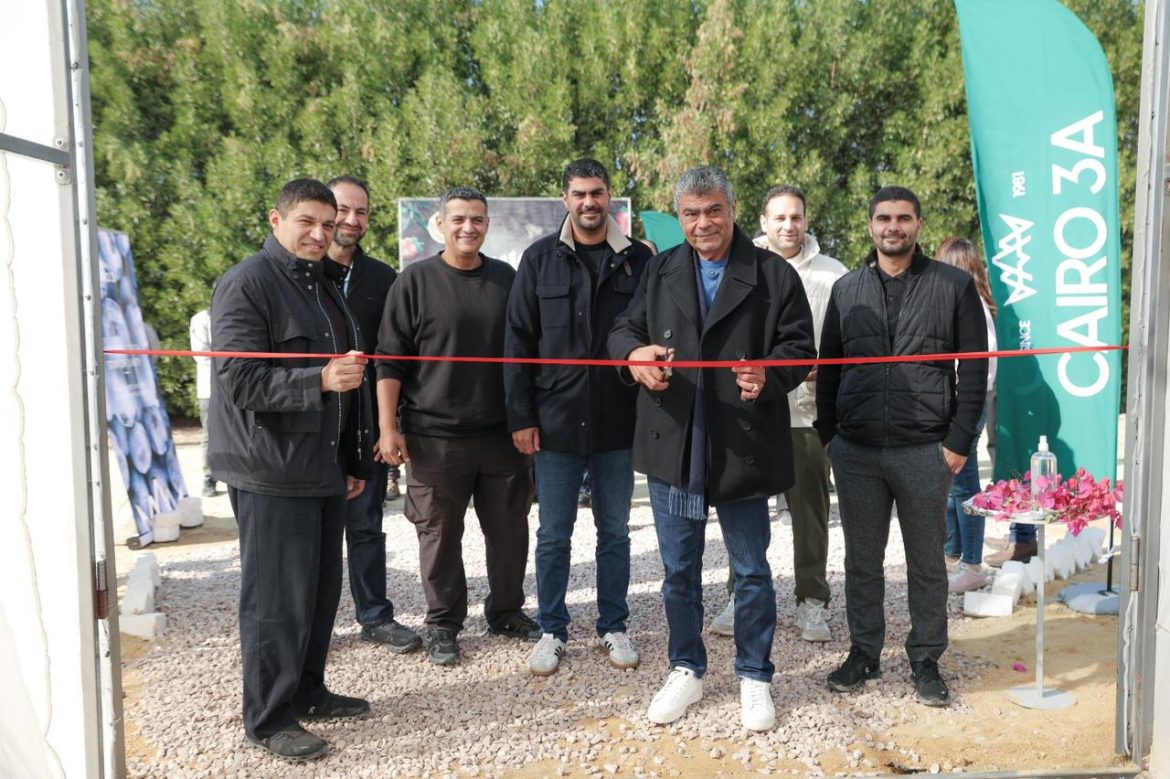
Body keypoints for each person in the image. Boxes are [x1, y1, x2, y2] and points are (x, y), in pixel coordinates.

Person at [609, 166, 815, 731]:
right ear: (680, 218)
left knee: (750, 570)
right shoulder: (660, 269)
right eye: (691, 214)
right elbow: (623, 329)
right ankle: (686, 667)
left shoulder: (772, 273)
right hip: (675, 441)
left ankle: (754, 673)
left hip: (743, 441)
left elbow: (800, 347)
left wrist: (769, 375)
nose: (703, 223)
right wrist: (634, 357)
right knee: (679, 570)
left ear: (733, 209)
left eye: (713, 210)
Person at [209, 178, 371, 761]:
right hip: (269, 467)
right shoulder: (247, 283)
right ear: (276, 220)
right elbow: (240, 380)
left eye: (328, 224)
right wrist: (318, 379)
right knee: (276, 600)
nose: (320, 234)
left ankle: (307, 692)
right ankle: (268, 718)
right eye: (307, 221)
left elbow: (351, 384)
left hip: (321, 465)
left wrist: (351, 460)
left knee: (320, 592)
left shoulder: (323, 285)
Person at [815, 186, 988, 708]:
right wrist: (829, 434)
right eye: (884, 218)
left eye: (904, 218)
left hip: (925, 449)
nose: (894, 227)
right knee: (861, 562)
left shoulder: (953, 286)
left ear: (918, 224)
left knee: (927, 563)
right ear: (870, 225)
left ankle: (926, 659)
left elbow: (974, 368)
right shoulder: (846, 289)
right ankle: (864, 653)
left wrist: (959, 440)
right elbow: (829, 367)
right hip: (857, 450)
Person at [375, 186, 539, 667]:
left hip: (501, 435)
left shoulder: (506, 279)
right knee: (439, 536)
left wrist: (526, 419)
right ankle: (443, 623)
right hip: (434, 436)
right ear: (441, 225)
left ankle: (506, 612)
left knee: (510, 533)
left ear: (487, 224)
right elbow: (389, 360)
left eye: (478, 219)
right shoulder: (414, 281)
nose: (469, 227)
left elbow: (525, 356)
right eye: (459, 219)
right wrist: (388, 428)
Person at [505, 158, 653, 677]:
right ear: (565, 199)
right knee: (553, 533)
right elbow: (517, 342)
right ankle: (552, 629)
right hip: (556, 423)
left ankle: (614, 624)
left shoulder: (640, 260)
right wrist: (521, 416)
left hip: (618, 420)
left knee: (615, 531)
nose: (589, 202)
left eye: (597, 192)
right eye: (579, 194)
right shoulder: (538, 258)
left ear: (609, 196)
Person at [709, 185, 847, 643]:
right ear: (763, 221)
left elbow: (846, 344)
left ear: (806, 220)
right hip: (745, 415)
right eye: (780, 217)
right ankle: (740, 597)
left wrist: (823, 371)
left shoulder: (833, 274)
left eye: (796, 217)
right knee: (743, 514)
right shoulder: (735, 265)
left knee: (810, 518)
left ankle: (812, 600)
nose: (789, 225)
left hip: (805, 416)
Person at [325, 175, 421, 653]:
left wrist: (391, 424)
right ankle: (310, 626)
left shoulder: (383, 279)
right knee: (312, 533)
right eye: (342, 209)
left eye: (360, 211)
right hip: (311, 426)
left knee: (365, 525)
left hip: (364, 426)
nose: (351, 219)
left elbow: (395, 357)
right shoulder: (298, 274)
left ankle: (375, 616)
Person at [935, 237, 999, 592]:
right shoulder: (966, 302)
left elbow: (981, 367)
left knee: (965, 485)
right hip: (957, 401)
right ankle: (953, 554)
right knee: (952, 484)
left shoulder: (971, 305)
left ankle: (972, 563)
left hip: (966, 402)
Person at [188, 304, 216, 497]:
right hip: (209, 389)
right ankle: (209, 476)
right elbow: (202, 355)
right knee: (209, 434)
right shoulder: (200, 319)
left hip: (235, 387)